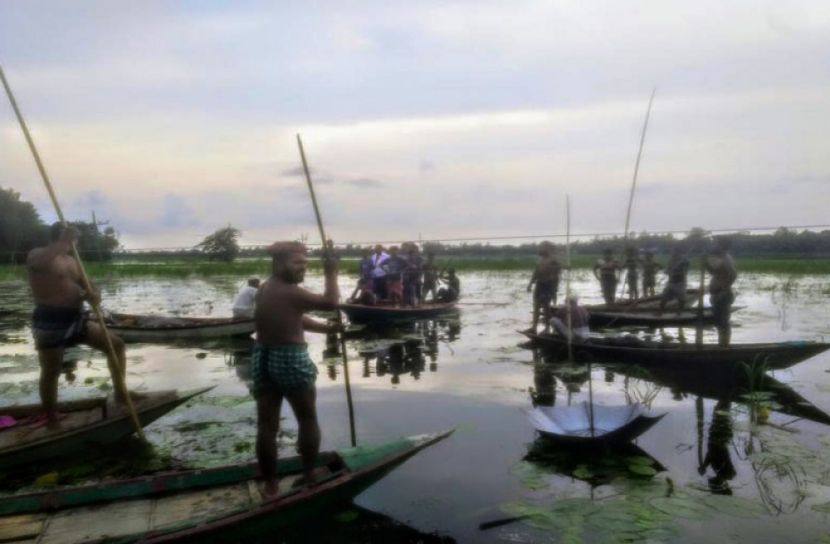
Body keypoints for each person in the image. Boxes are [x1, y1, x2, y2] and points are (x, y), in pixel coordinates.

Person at [253, 241, 342, 497]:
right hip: (289, 358)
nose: (303, 267)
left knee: (266, 426)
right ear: (279, 263)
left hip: (262, 356)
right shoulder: (291, 291)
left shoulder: (265, 288)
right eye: (297, 263)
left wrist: (326, 329)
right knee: (307, 419)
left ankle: (270, 485)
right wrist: (331, 272)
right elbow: (331, 302)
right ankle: (309, 475)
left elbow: (295, 317)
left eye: (305, 263)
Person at [27, 223, 129, 429]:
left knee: (116, 345)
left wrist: (94, 295)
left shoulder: (73, 261)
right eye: (74, 238)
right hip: (50, 320)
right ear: (61, 236)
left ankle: (121, 394)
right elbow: (38, 265)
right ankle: (52, 419)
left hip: (77, 318)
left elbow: (92, 288)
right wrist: (63, 241)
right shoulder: (38, 254)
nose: (76, 243)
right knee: (51, 370)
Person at [704, 237, 737, 347]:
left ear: (722, 246)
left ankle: (724, 346)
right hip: (719, 293)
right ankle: (722, 345)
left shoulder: (725, 259)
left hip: (722, 294)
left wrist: (723, 290)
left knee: (723, 323)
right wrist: (706, 264)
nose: (714, 246)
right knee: (720, 322)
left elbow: (733, 275)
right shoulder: (723, 257)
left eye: (716, 244)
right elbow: (715, 272)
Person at [526, 242, 562, 333]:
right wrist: (530, 284)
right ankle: (534, 327)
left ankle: (547, 328)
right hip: (539, 284)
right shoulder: (539, 259)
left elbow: (558, 273)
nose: (540, 250)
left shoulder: (553, 259)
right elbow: (536, 272)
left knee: (546, 307)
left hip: (548, 285)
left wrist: (554, 289)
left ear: (547, 249)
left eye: (542, 248)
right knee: (536, 306)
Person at [659, 245, 690, 312]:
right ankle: (660, 312)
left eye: (674, 252)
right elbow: (667, 270)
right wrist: (667, 271)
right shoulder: (671, 260)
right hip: (671, 282)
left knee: (681, 300)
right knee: (664, 297)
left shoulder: (684, 260)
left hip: (680, 283)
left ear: (678, 252)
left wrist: (678, 270)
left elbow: (685, 271)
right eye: (672, 252)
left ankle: (680, 313)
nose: (672, 253)